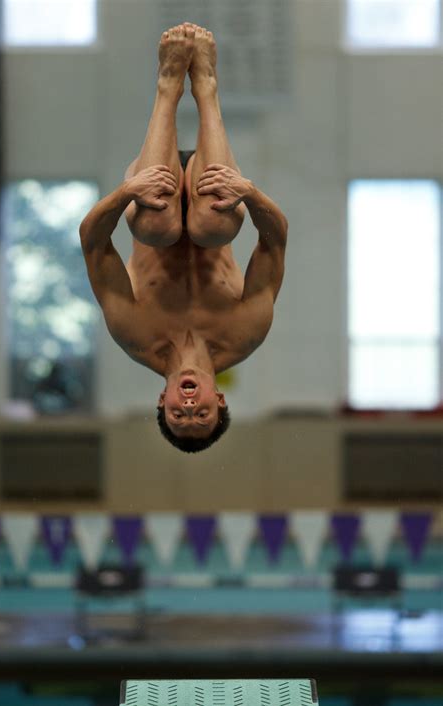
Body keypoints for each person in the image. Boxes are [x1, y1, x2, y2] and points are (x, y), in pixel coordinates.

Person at [79, 23, 288, 453]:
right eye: (201, 413)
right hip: (215, 189)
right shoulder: (245, 332)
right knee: (210, 227)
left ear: (162, 399)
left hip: (153, 189)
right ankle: (206, 86)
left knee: (159, 227)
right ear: (220, 399)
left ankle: (168, 86)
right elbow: (275, 241)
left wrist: (125, 194)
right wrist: (248, 191)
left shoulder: (134, 333)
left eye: (178, 413)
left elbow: (93, 243)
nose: (189, 405)